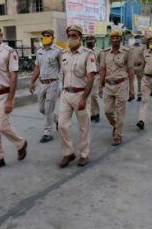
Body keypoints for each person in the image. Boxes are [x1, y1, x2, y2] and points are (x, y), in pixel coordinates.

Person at [0, 23, 28, 171]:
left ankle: (20, 143)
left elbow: (13, 77)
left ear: (1, 35)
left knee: (2, 126)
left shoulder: (9, 52)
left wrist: (10, 100)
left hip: (4, 95)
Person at [58, 25, 97, 168]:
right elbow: (62, 74)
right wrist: (61, 91)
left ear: (80, 37)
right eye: (69, 35)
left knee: (84, 127)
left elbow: (91, 77)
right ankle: (68, 152)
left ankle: (84, 154)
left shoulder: (88, 54)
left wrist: (84, 98)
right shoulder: (64, 54)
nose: (71, 38)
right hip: (66, 94)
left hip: (81, 93)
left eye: (74, 36)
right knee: (62, 125)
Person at [100, 30, 134, 146]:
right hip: (108, 85)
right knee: (107, 111)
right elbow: (103, 70)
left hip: (121, 84)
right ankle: (115, 125)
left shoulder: (127, 52)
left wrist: (131, 89)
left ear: (121, 39)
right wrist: (100, 86)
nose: (114, 40)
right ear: (110, 39)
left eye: (117, 38)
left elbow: (130, 70)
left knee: (120, 112)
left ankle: (118, 135)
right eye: (112, 38)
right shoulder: (105, 53)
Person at [29, 29, 61, 142]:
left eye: (49, 35)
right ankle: (58, 119)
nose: (46, 37)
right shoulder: (39, 51)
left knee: (48, 109)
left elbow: (63, 67)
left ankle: (47, 132)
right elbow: (37, 68)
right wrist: (32, 82)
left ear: (53, 38)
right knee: (41, 109)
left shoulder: (58, 51)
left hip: (53, 83)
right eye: (44, 36)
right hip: (42, 84)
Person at [85, 35, 102, 123]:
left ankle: (97, 113)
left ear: (95, 41)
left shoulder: (99, 52)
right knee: (88, 95)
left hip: (96, 75)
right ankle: (92, 114)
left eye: (91, 39)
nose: (89, 41)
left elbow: (102, 66)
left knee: (93, 95)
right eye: (87, 39)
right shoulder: (83, 52)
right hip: (86, 76)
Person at [130, 32, 145, 102]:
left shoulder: (143, 47)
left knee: (140, 82)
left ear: (140, 39)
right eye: (136, 38)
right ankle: (131, 94)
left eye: (138, 38)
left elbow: (145, 57)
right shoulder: (131, 47)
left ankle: (139, 95)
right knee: (131, 81)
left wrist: (144, 66)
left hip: (140, 66)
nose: (137, 39)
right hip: (132, 67)